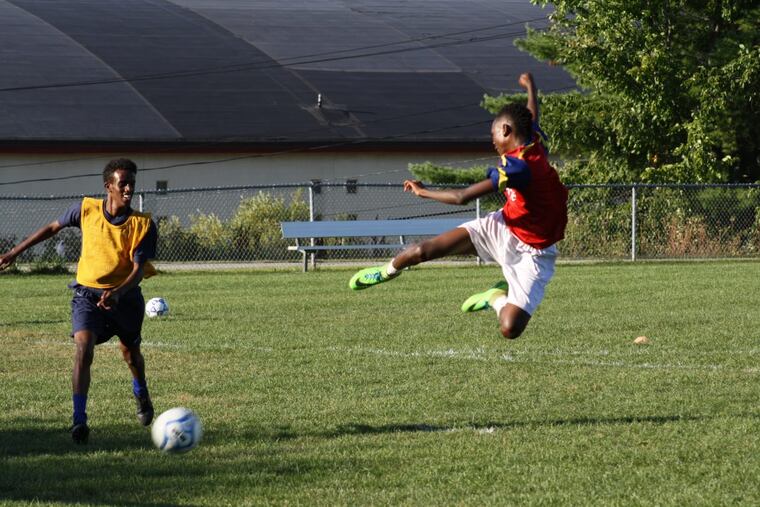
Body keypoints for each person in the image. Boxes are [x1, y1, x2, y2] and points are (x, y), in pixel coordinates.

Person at [349, 73, 567, 339]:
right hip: (503, 225)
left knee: (510, 328)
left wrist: (423, 192)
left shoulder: (518, 167)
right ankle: (385, 272)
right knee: (421, 250)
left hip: (534, 252)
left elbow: (462, 197)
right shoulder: (532, 141)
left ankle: (496, 297)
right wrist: (532, 86)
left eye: (493, 134)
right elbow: (532, 114)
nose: (493, 141)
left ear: (507, 131)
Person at [0, 158, 158, 444]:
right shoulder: (85, 209)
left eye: (132, 183)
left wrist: (118, 293)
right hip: (87, 295)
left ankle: (141, 392)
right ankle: (79, 421)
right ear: (108, 186)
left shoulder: (142, 224)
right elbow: (52, 228)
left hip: (125, 298)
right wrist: (14, 252)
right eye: (123, 183)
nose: (129, 189)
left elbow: (137, 272)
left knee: (131, 355)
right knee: (83, 349)